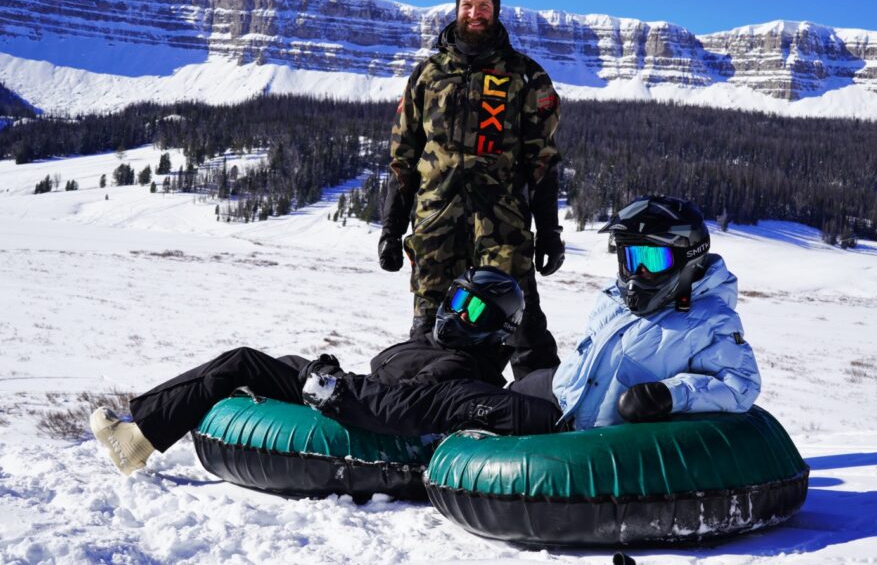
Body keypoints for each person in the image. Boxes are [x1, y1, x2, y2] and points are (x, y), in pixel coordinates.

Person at [92, 196, 759, 475]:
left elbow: (737, 385)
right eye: (625, 259)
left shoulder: (709, 321)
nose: (631, 273)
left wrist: (668, 398)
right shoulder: (619, 303)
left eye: (647, 260)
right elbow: (556, 358)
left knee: (448, 399)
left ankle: (147, 435)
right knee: (243, 359)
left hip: (550, 420)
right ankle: (140, 435)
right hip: (545, 393)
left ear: (686, 258)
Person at [377, 0, 564, 382]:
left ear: (496, 12)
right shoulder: (427, 75)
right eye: (467, 5)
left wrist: (549, 233)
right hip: (434, 225)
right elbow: (402, 158)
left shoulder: (524, 75)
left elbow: (543, 161)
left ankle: (547, 407)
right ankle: (419, 409)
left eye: (483, 6)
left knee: (522, 321)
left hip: (502, 226)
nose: (474, 13)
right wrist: (391, 229)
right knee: (429, 323)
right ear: (456, 10)